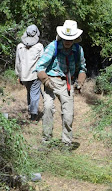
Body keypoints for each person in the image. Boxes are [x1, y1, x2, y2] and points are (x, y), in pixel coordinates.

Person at [35, 20, 87, 148]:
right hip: (51, 81)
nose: (67, 41)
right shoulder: (53, 47)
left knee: (68, 114)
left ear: (75, 38)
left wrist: (80, 82)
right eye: (65, 38)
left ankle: (66, 143)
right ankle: (46, 140)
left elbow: (82, 69)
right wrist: (46, 81)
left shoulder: (78, 50)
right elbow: (40, 67)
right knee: (47, 108)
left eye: (70, 38)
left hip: (67, 83)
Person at [15, 25, 44, 121]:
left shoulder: (20, 47)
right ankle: (33, 114)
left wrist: (19, 75)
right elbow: (42, 62)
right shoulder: (39, 47)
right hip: (35, 75)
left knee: (30, 92)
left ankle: (30, 110)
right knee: (34, 94)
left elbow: (18, 63)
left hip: (24, 75)